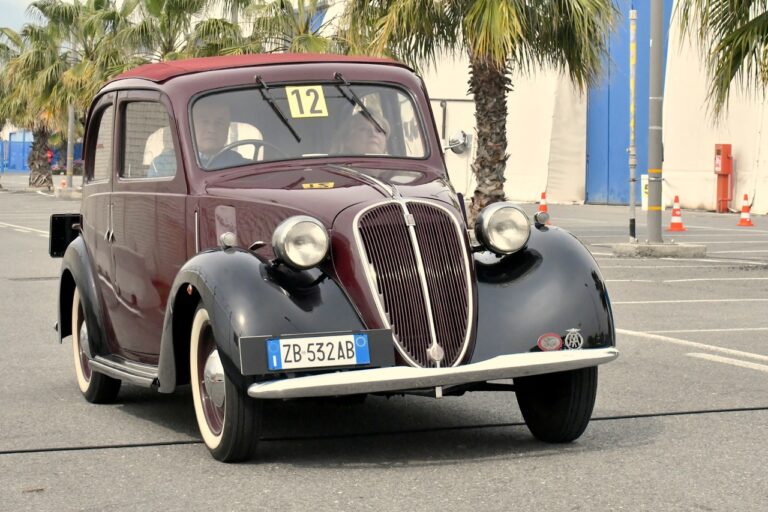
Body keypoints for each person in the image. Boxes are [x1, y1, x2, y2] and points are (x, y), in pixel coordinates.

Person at [193, 98, 248, 169]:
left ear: (227, 128)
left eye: (219, 123)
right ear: (192, 126)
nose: (212, 130)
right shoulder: (180, 162)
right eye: (204, 122)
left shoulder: (238, 163)